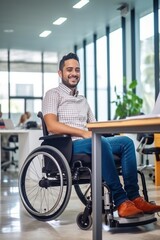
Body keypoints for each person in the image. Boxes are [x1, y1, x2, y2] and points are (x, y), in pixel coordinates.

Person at [42, 52, 160, 218]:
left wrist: (110, 127)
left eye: (77, 69)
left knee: (126, 142)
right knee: (100, 142)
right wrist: (83, 133)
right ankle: (121, 201)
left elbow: (94, 125)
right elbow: (51, 125)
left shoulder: (83, 100)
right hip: (68, 145)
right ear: (60, 73)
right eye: (69, 69)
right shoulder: (53, 94)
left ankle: (135, 197)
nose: (74, 73)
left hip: (89, 141)